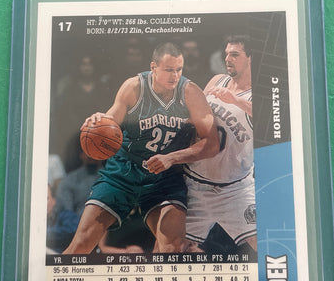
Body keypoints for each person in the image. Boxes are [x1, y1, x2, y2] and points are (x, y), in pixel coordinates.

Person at [62, 42, 219, 254]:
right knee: (81, 245)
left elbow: (212, 143)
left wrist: (172, 158)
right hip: (124, 172)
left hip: (164, 178)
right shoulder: (134, 87)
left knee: (173, 248)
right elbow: (111, 121)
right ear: (153, 67)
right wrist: (100, 120)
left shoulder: (190, 93)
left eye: (179, 69)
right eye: (169, 70)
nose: (175, 76)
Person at [184, 35, 257, 251]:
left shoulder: (258, 96)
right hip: (194, 185)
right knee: (171, 248)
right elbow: (196, 117)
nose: (227, 59)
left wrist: (235, 100)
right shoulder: (217, 80)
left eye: (234, 54)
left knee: (265, 245)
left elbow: (269, 120)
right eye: (226, 54)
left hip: (234, 191)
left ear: (251, 58)